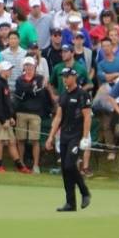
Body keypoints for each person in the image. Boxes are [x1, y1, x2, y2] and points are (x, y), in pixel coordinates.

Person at [47, 68, 93, 211]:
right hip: (65, 135)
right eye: (63, 77)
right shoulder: (64, 95)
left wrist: (85, 137)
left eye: (67, 76)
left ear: (74, 77)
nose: (64, 79)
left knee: (69, 165)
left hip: (77, 135)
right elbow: (59, 117)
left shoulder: (82, 95)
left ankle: (85, 192)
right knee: (65, 170)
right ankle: (70, 203)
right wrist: (51, 136)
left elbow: (87, 117)